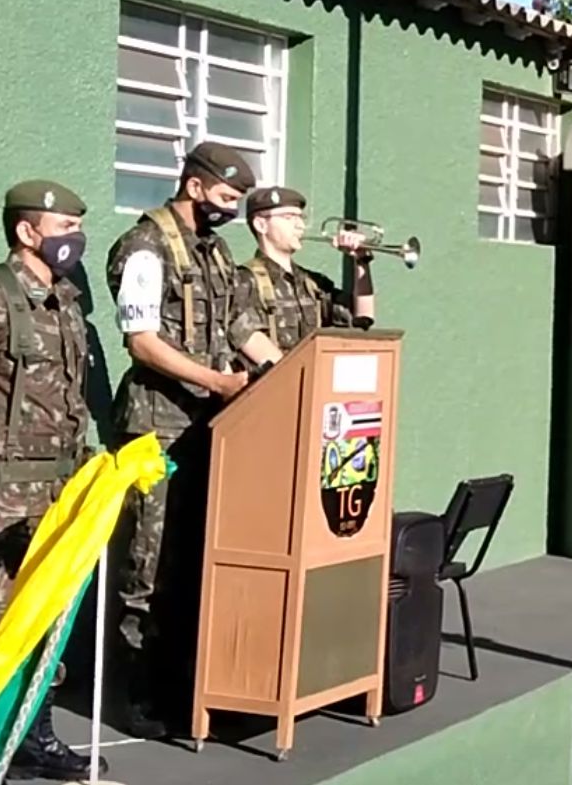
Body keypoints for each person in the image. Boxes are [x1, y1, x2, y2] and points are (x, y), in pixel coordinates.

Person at [105, 141, 278, 738]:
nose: (230, 209)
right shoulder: (144, 246)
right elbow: (142, 341)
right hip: (157, 428)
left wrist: (286, 373)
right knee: (148, 564)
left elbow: (241, 326)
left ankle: (185, 685)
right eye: (225, 197)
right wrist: (216, 381)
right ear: (195, 186)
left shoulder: (216, 252)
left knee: (196, 558)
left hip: (212, 427)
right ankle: (136, 694)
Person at [0, 181, 107, 781]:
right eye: (65, 226)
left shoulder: (64, 300)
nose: (76, 238)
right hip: (0, 496)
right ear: (27, 231)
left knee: (47, 625)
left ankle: (31, 740)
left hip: (58, 493)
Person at [233, 186, 376, 359]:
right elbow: (244, 335)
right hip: (276, 376)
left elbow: (362, 319)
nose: (300, 225)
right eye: (288, 217)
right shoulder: (243, 281)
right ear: (261, 225)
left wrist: (361, 261)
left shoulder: (313, 283)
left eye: (301, 217)